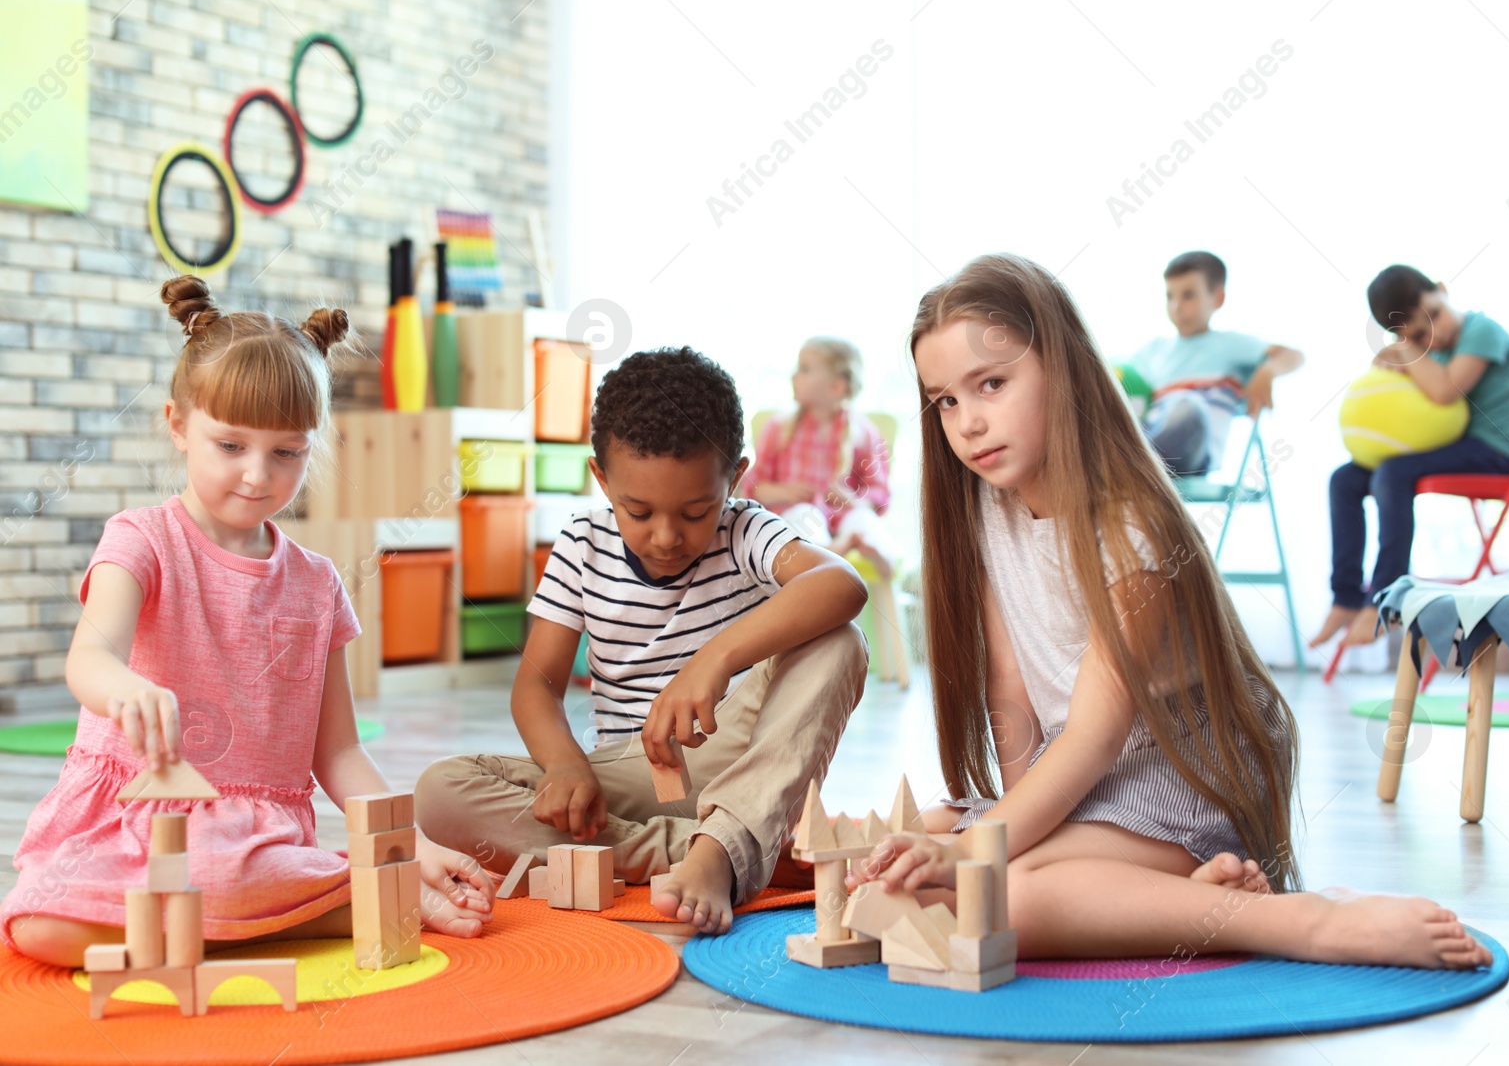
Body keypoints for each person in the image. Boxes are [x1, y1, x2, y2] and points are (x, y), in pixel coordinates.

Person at [848, 252, 1491, 970]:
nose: (968, 423)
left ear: (1062, 368)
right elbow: (1010, 691)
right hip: (1088, 767)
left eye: (991, 384)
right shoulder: (985, 508)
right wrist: (996, 836)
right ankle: (1175, 889)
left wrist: (983, 856)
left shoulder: (1131, 528)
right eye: (946, 401)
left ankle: (1298, 922)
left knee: (1001, 895)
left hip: (1181, 764)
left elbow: (1095, 735)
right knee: (922, 858)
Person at [2, 276, 493, 967]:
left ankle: (303, 902)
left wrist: (409, 842)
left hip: (247, 844)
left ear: (311, 445)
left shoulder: (318, 583)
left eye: (286, 452)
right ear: (177, 423)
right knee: (39, 926)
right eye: (230, 445)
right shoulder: (140, 539)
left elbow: (340, 753)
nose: (258, 474)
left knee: (232, 879)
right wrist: (123, 690)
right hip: (128, 821)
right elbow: (90, 656)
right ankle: (327, 908)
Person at [415, 347, 869, 935]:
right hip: (629, 776)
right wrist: (563, 766)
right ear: (601, 479)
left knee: (841, 642)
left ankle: (725, 842)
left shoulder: (746, 529)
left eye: (695, 511)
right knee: (440, 793)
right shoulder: (581, 544)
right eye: (638, 510)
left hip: (735, 757)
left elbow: (842, 583)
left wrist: (714, 658)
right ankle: (716, 850)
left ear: (733, 477)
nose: (665, 536)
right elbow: (537, 684)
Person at [1310, 265, 1509, 649]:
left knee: (1393, 473)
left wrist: (1409, 348)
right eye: (1416, 333)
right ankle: (1346, 596)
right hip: (1456, 447)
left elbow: (1445, 393)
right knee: (1344, 479)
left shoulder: (1482, 331)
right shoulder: (1432, 352)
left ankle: (1386, 597)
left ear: (1444, 290)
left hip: (1497, 451)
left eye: (1434, 316)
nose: (1435, 333)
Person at [1127, 251, 1303, 475]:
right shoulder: (1154, 349)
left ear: (1217, 298)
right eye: (1170, 296)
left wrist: (1267, 371)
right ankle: (1132, 463)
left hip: (1194, 452)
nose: (1176, 306)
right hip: (1148, 441)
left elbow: (1295, 356)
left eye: (1188, 295)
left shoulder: (1229, 345)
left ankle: (1133, 466)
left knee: (1187, 406)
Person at [745, 336, 898, 574]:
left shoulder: (863, 432)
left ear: (836, 387)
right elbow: (754, 487)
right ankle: (828, 551)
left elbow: (878, 492)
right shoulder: (779, 428)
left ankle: (882, 557)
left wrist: (852, 500)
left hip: (844, 518)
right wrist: (784, 491)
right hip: (800, 514)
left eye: (804, 369)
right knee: (801, 516)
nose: (793, 375)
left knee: (864, 521)